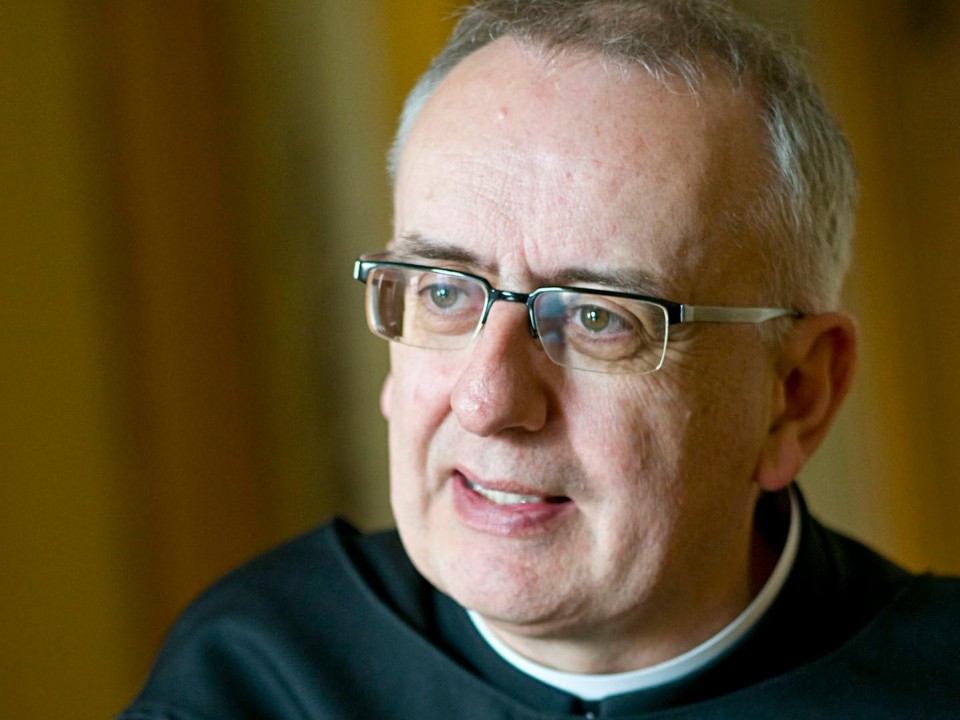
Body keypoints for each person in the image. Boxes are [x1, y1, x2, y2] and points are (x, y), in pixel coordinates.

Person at [119, 1, 960, 718]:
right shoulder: (253, 681)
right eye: (443, 292)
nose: (488, 400)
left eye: (597, 317)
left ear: (796, 395)